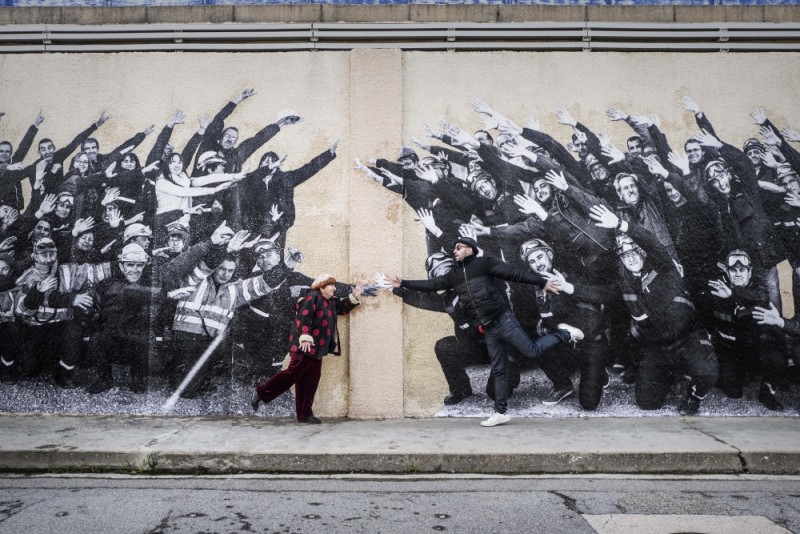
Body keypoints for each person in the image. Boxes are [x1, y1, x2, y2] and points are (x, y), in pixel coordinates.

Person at [385, 236, 584, 427]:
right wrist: (398, 286)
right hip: (485, 336)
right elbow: (425, 292)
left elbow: (511, 275)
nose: (454, 253)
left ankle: (565, 335)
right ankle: (490, 407)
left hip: (504, 326)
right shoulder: (449, 292)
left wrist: (542, 282)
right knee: (457, 353)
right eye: (439, 273)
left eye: (458, 249)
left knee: (531, 350)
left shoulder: (480, 270)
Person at [251, 273, 364, 424]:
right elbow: (303, 317)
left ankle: (304, 414)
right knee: (292, 374)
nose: (334, 288)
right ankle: (261, 392)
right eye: (331, 285)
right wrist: (305, 336)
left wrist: (354, 295)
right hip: (305, 346)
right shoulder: (311, 298)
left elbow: (342, 309)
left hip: (318, 348)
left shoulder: (329, 301)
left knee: (311, 380)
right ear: (322, 287)